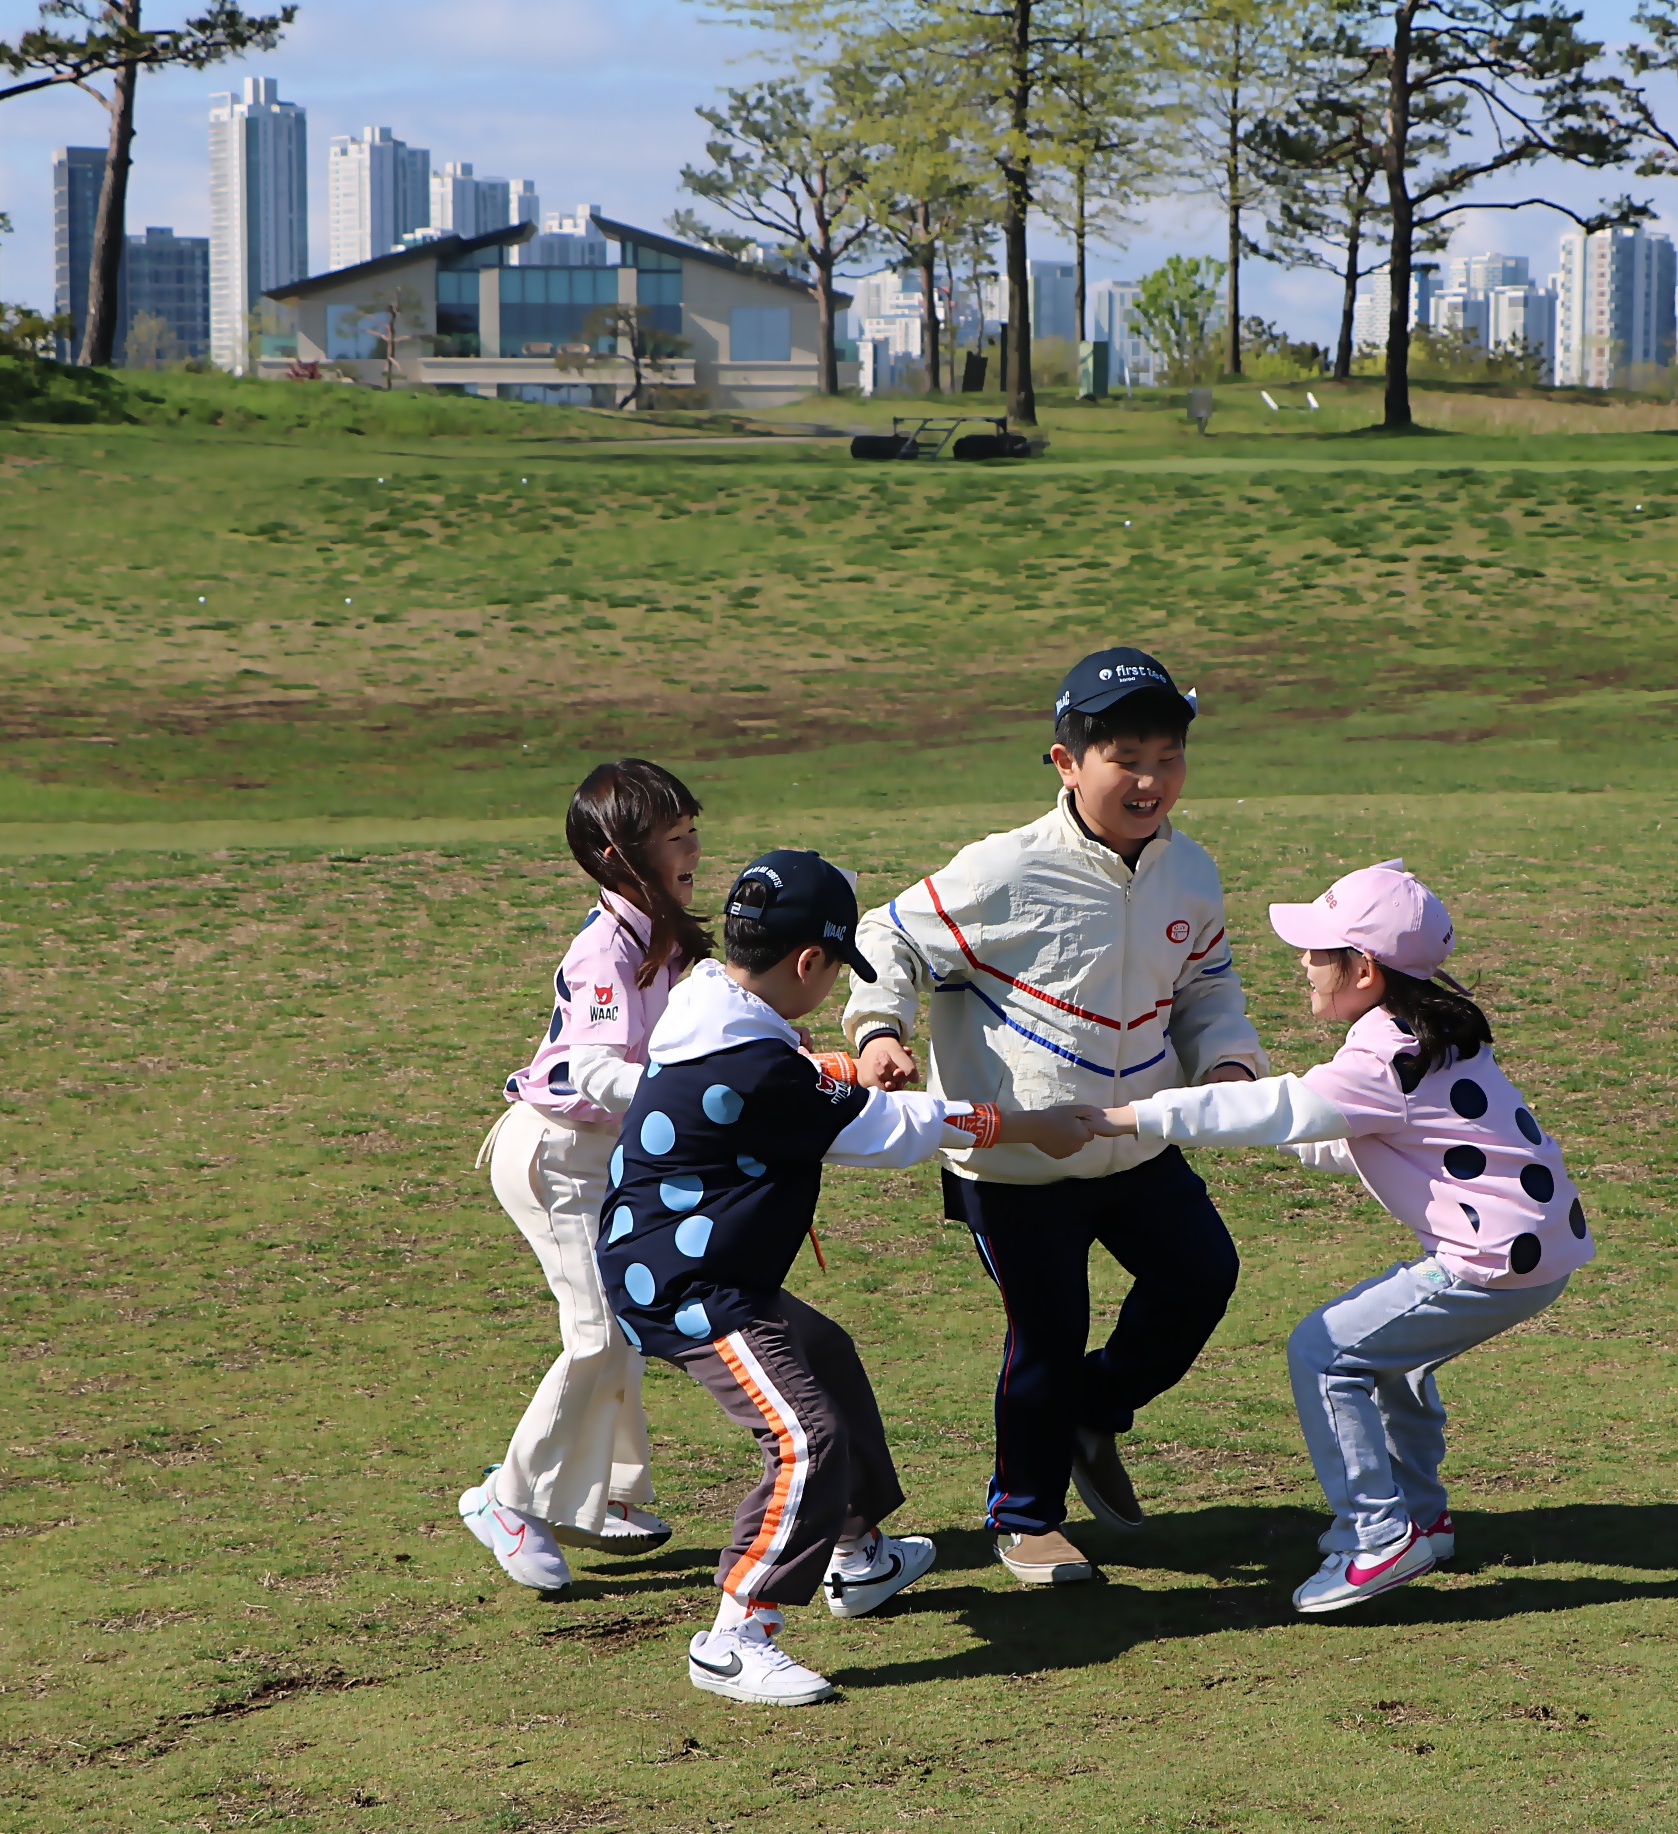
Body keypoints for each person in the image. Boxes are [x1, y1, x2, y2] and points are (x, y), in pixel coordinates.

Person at [600, 850, 1098, 1706]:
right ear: (809, 962)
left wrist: (841, 1067)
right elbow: (886, 1130)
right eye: (837, 971)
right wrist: (1027, 1126)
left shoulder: (711, 1005)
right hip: (689, 1286)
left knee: (825, 1356)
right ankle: (736, 1634)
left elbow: (798, 1080)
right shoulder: (750, 1066)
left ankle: (855, 1554)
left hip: (702, 1264)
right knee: (805, 1435)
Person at [847, 650, 1266, 1587]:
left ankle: (1089, 1411)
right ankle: (1026, 1517)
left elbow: (1206, 985)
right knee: (1047, 1330)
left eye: (1169, 757)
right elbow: (888, 935)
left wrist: (1229, 1059)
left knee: (1202, 1276)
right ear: (1067, 763)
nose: (1152, 780)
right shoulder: (1006, 867)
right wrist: (878, 1030)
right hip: (1016, 1161)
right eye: (1127, 758)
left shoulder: (1190, 872)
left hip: (1136, 1140)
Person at [1080, 861, 1593, 1614]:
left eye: (1319, 952)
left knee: (1325, 1351)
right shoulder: (1431, 1032)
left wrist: (1129, 1117)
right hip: (1534, 1251)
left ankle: (1377, 1537)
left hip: (1489, 1259)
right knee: (1391, 1359)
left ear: (1365, 970)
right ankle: (1419, 1517)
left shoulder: (1383, 1053)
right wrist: (1288, 1125)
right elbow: (1364, 1132)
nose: (1304, 964)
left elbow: (1280, 1109)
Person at [460, 760, 710, 1594]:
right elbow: (597, 1071)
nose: (692, 851)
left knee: (627, 1321)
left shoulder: (656, 932)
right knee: (597, 1333)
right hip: (557, 1156)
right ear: (615, 855)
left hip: (604, 1154)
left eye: (691, 832)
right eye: (672, 838)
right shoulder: (606, 947)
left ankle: (599, 1494)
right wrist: (693, 1097)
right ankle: (508, 1500)